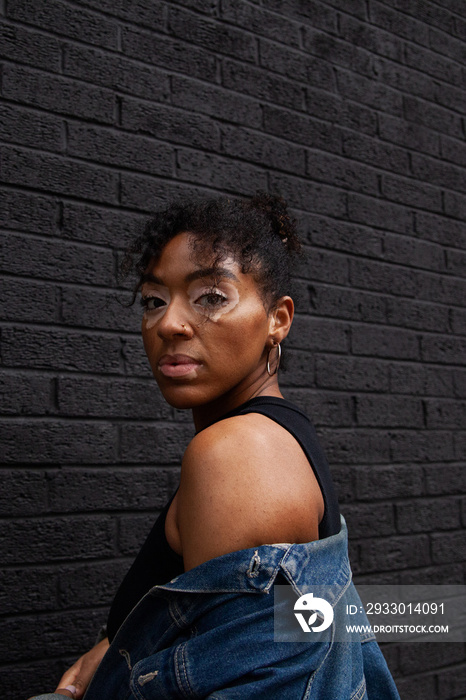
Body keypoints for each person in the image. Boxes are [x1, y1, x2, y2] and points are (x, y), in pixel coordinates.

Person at [29, 193, 400, 699]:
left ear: (279, 319)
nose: (169, 324)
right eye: (154, 300)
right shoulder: (271, 436)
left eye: (211, 297)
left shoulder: (236, 453)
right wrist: (118, 639)